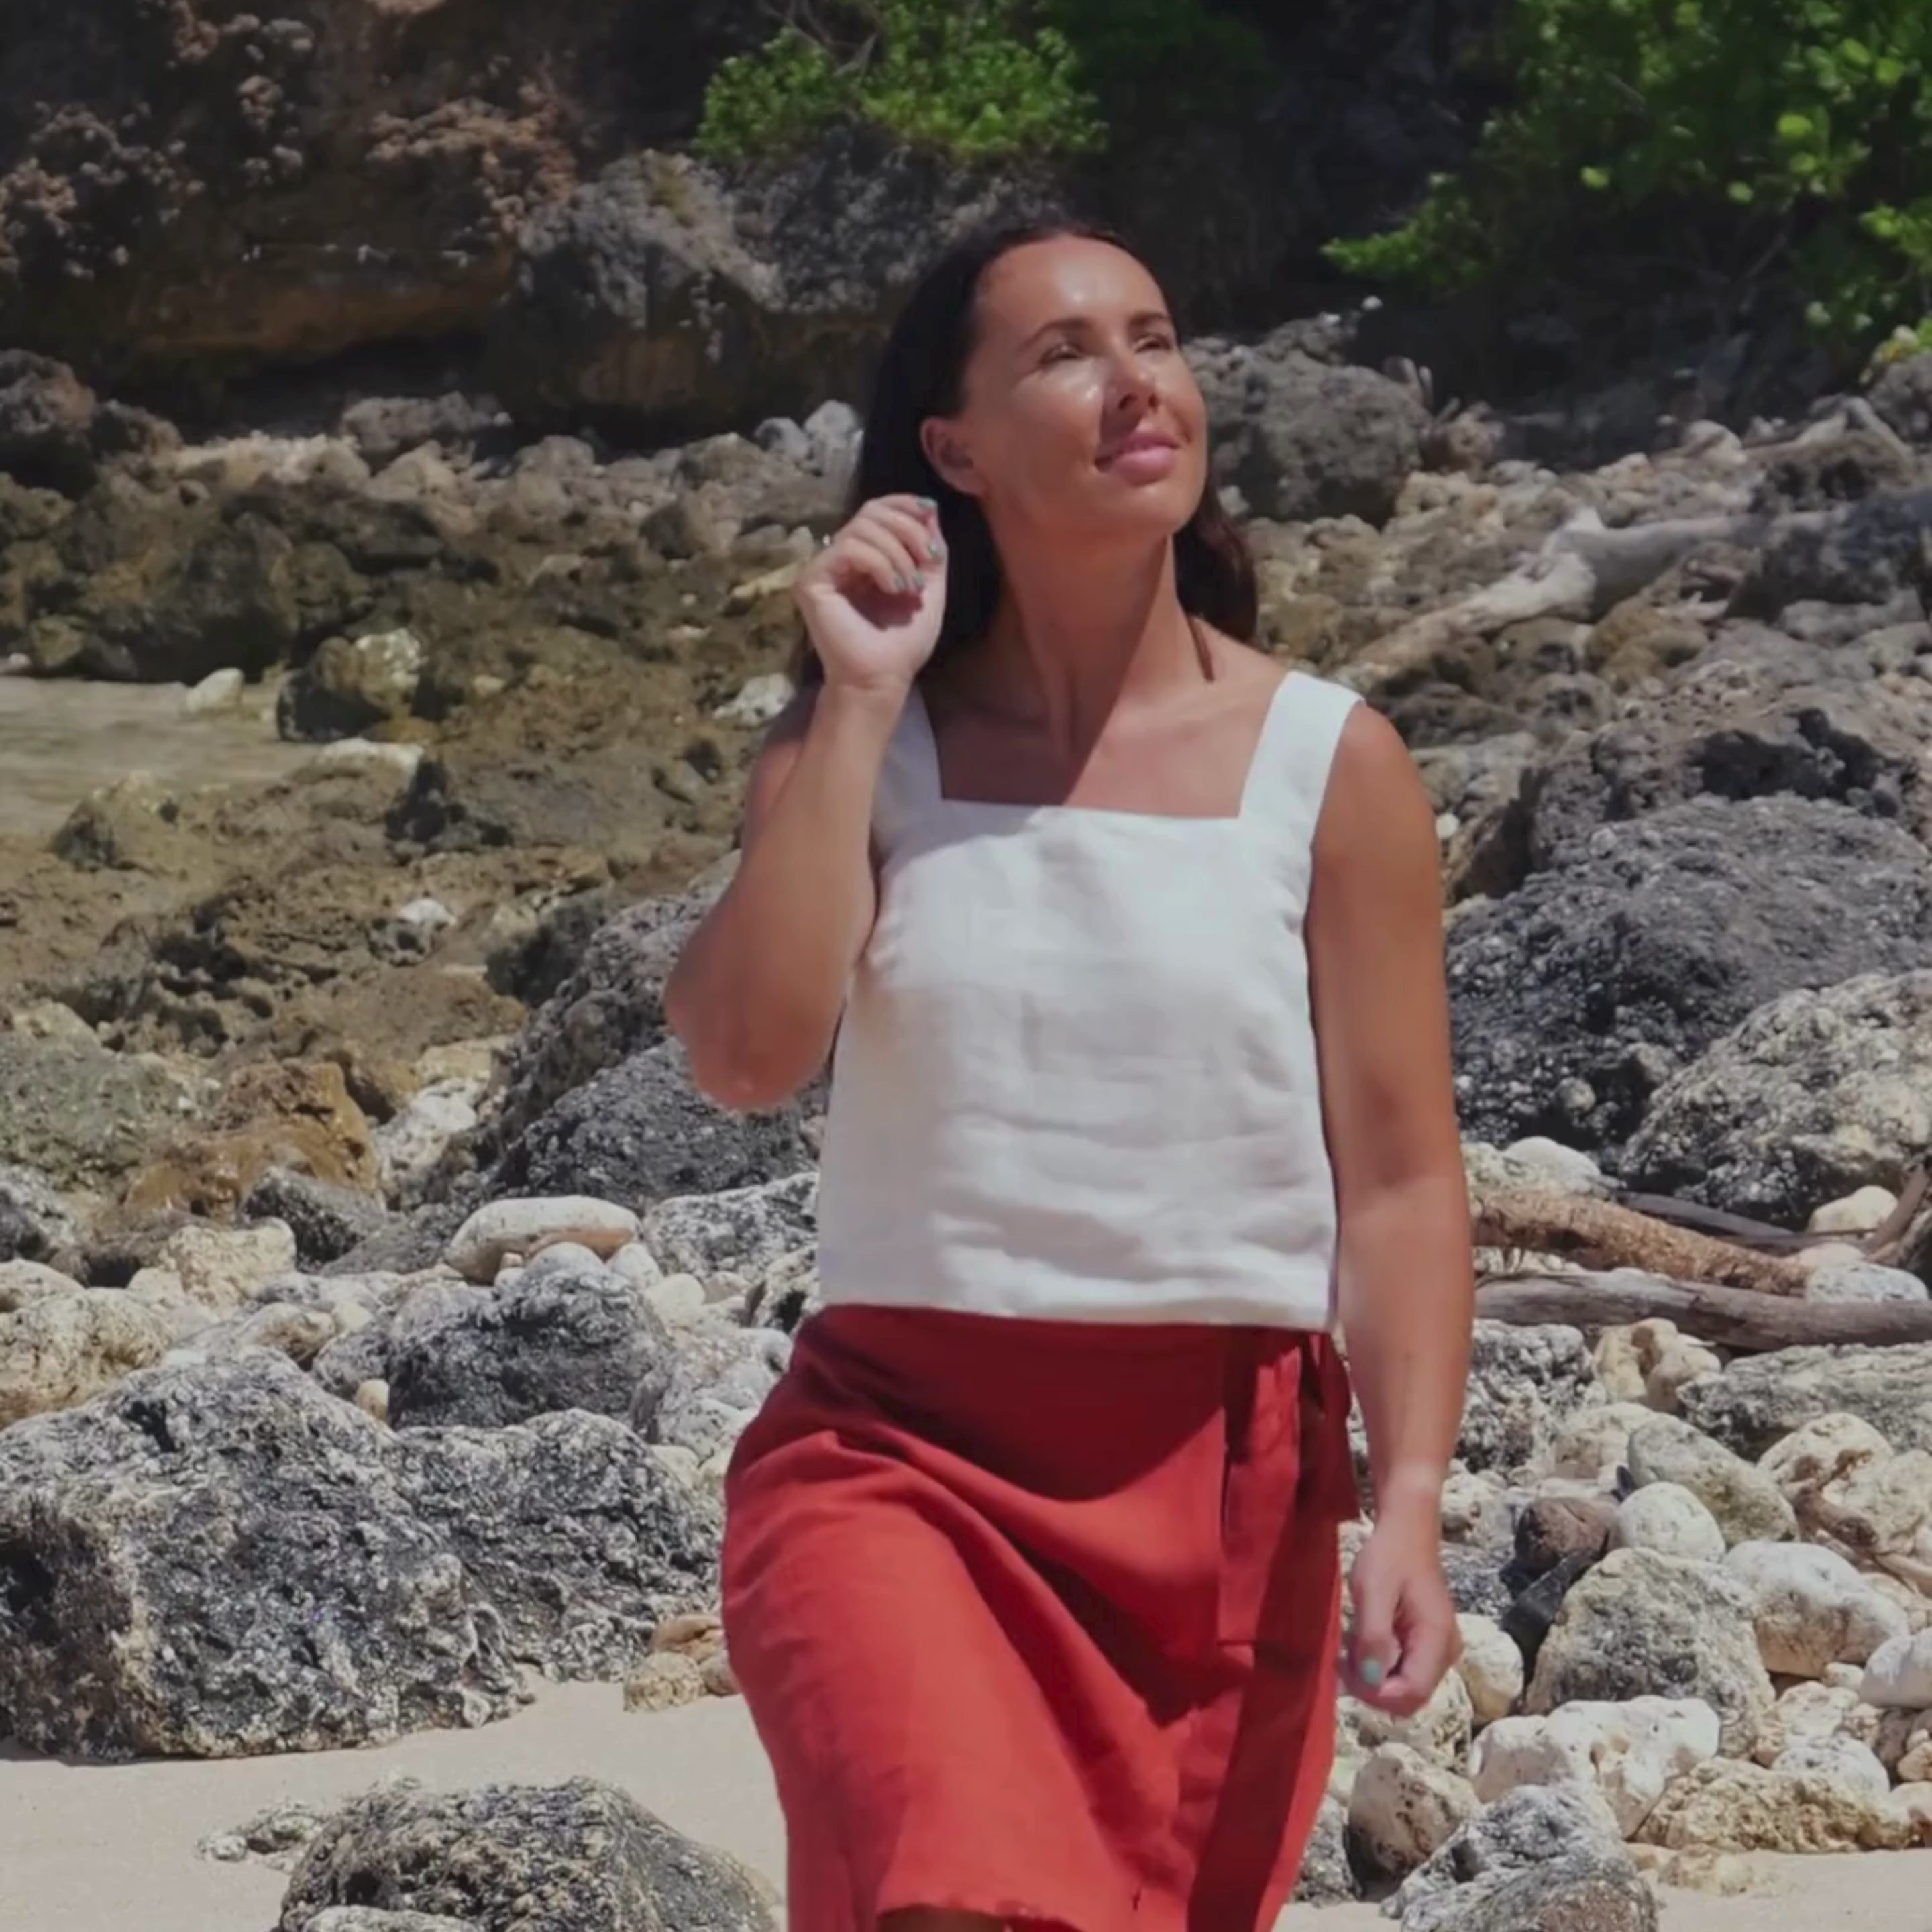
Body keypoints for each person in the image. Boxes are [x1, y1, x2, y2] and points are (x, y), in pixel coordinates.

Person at [665, 219, 1474, 1932]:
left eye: (1157, 337)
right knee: (951, 1892)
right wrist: (862, 704)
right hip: (896, 1459)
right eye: (1065, 353)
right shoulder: (861, 751)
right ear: (949, 448)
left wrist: (1406, 1498)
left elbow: (1401, 1181)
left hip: (1224, 1497)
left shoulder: (1335, 766)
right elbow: (741, 1056)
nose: (1135, 384)